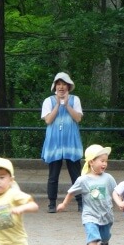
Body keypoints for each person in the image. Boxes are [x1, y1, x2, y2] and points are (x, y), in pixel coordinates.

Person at [57, 144, 117, 245]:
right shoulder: (83, 180)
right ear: (91, 162)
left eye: (106, 161)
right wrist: (64, 204)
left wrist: (121, 202)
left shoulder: (108, 178)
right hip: (90, 214)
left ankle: (105, 241)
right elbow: (71, 192)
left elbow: (116, 192)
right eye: (102, 161)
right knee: (92, 233)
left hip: (106, 214)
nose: (105, 164)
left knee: (104, 235)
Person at [41, 71, 83, 214]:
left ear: (69, 86)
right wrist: (58, 105)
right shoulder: (48, 101)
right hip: (54, 142)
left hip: (71, 141)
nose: (61, 87)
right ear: (55, 86)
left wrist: (67, 105)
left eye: (64, 84)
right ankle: (52, 203)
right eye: (58, 84)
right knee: (53, 175)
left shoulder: (75, 99)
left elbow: (78, 118)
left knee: (76, 175)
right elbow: (48, 120)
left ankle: (81, 203)